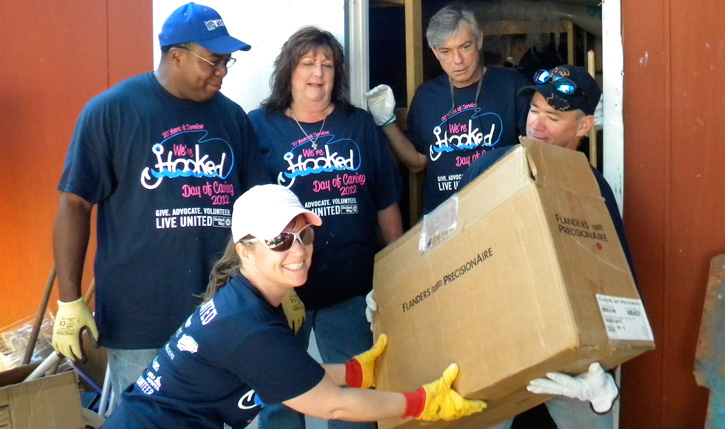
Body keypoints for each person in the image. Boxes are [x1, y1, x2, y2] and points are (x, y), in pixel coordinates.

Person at [102, 184, 486, 428]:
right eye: (279, 241)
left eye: (304, 235)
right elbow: (333, 407)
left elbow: (286, 372)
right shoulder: (247, 326)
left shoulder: (250, 301)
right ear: (245, 251)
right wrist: (422, 403)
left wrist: (353, 372)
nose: (299, 251)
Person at [51, 2, 271, 405]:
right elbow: (75, 203)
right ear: (176, 56)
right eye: (214, 60)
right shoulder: (112, 111)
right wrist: (69, 300)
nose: (222, 71)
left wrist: (276, 283)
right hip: (140, 318)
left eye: (228, 61)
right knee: (147, 417)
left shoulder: (233, 119)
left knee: (215, 416)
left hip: (220, 311)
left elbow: (258, 208)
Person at [248, 27, 403, 429]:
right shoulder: (259, 126)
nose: (318, 73)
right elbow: (250, 214)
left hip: (351, 291)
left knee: (356, 390)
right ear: (289, 71)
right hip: (282, 293)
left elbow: (385, 200)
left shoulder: (359, 125)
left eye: (327, 65)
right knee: (280, 397)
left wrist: (399, 272)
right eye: (307, 63)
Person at [458, 64, 622, 428]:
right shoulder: (487, 168)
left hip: (569, 352)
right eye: (534, 110)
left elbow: (616, 283)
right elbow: (445, 248)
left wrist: (604, 379)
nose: (536, 124)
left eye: (553, 117)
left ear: (583, 126)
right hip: (494, 339)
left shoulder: (593, 190)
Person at [365, 4, 529, 214]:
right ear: (435, 51)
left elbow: (537, 153)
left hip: (501, 211)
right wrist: (386, 123)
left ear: (479, 41)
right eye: (446, 51)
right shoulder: (426, 96)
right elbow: (417, 162)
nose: (457, 60)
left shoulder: (513, 87)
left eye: (465, 46)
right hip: (443, 218)